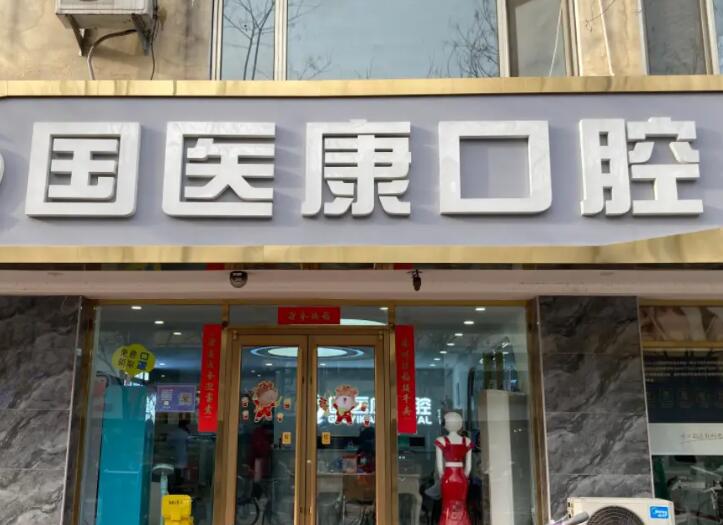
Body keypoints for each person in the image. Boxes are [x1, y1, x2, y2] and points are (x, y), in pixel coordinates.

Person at [435, 412, 474, 525]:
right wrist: (464, 477)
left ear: (445, 424)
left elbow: (439, 467)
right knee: (461, 505)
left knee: (447, 505)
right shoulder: (467, 441)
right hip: (461, 477)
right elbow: (468, 467)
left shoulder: (440, 441)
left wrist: (443, 477)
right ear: (460, 424)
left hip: (448, 476)